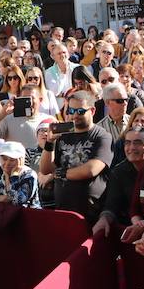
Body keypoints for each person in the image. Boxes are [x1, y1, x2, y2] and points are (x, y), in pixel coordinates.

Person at [41, 92, 111, 223]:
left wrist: (60, 173)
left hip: (90, 210)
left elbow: (91, 170)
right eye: (71, 110)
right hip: (63, 207)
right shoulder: (63, 134)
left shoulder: (102, 136)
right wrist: (49, 142)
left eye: (80, 111)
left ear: (92, 110)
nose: (74, 115)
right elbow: (45, 169)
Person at [97, 125, 144, 238]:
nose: (131, 147)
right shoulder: (118, 172)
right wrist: (104, 219)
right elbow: (111, 206)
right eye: (127, 143)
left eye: (137, 143)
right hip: (128, 229)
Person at [0, 141, 41, 207]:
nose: (7, 163)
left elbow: (17, 200)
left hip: (26, 215)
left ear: (21, 160)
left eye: (12, 160)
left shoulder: (29, 175)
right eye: (4, 159)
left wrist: (13, 176)